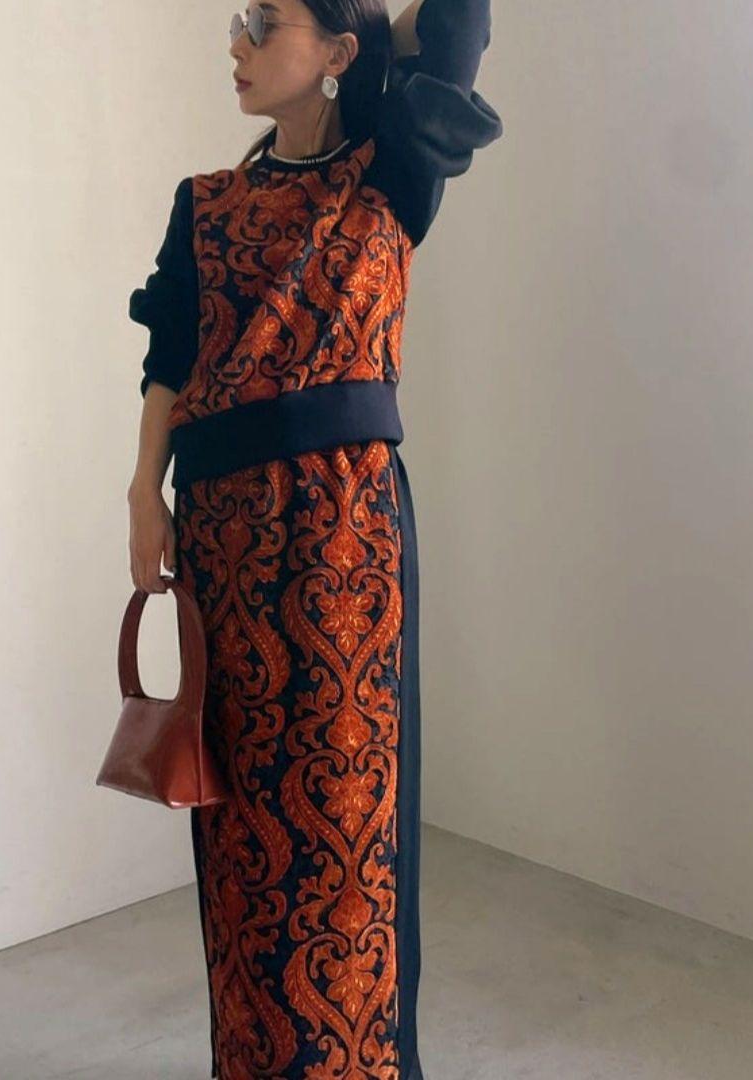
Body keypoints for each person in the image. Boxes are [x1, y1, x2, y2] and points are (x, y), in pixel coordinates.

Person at [126, 2, 502, 1076]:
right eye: (236, 22)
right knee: (241, 813)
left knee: (346, 811)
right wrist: (143, 492)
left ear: (336, 53)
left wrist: (373, 31)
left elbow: (456, 22)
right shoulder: (205, 203)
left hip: (345, 544)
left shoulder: (394, 174)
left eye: (265, 21)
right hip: (224, 540)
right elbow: (169, 357)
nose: (237, 44)